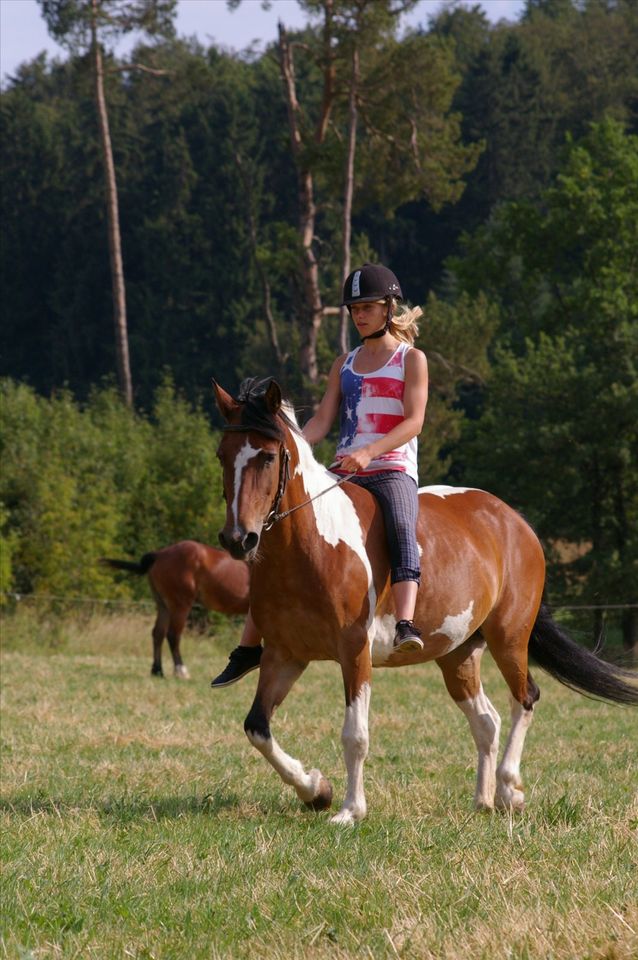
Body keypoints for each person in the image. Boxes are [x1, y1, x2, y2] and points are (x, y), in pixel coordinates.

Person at [211, 262, 428, 687]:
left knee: (403, 526)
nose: (359, 315)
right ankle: (249, 645)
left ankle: (406, 624)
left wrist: (370, 451)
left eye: (367, 307)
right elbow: (322, 423)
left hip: (391, 468)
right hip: (343, 469)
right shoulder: (343, 365)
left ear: (388, 307)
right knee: (277, 535)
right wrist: (295, 452)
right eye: (354, 309)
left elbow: (413, 422)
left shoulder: (410, 360)